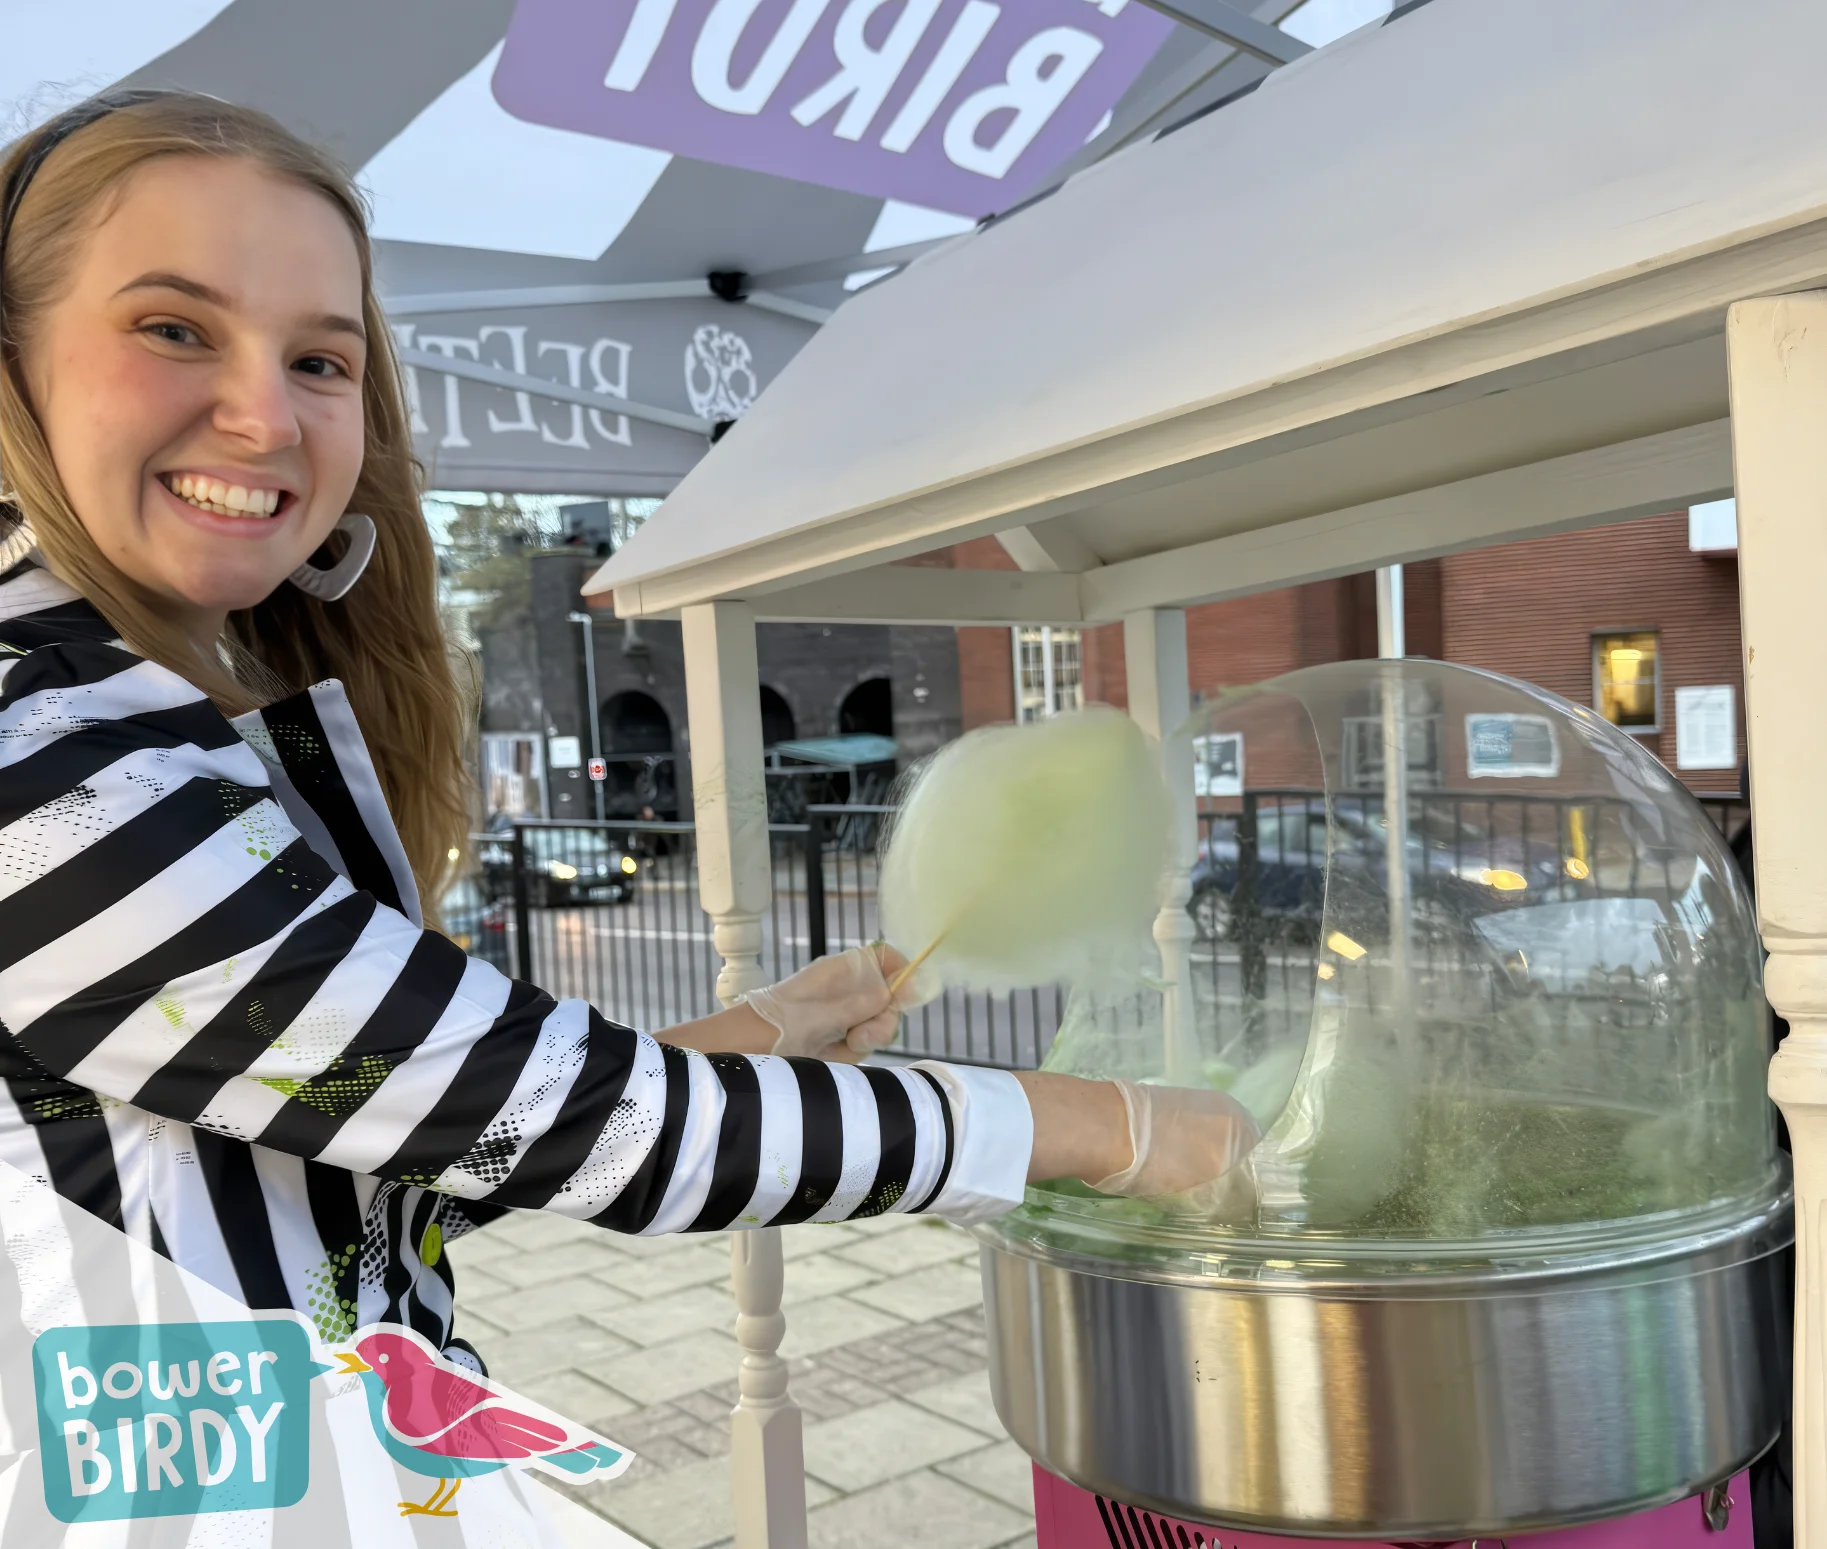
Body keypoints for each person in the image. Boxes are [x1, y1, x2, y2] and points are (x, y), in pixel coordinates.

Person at [0, 93, 1255, 1378]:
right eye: (172, 329)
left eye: (320, 360)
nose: (266, 418)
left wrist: (756, 1033)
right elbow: (611, 1137)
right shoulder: (41, 768)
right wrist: (1113, 1127)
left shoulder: (169, 721)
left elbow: (421, 1153)